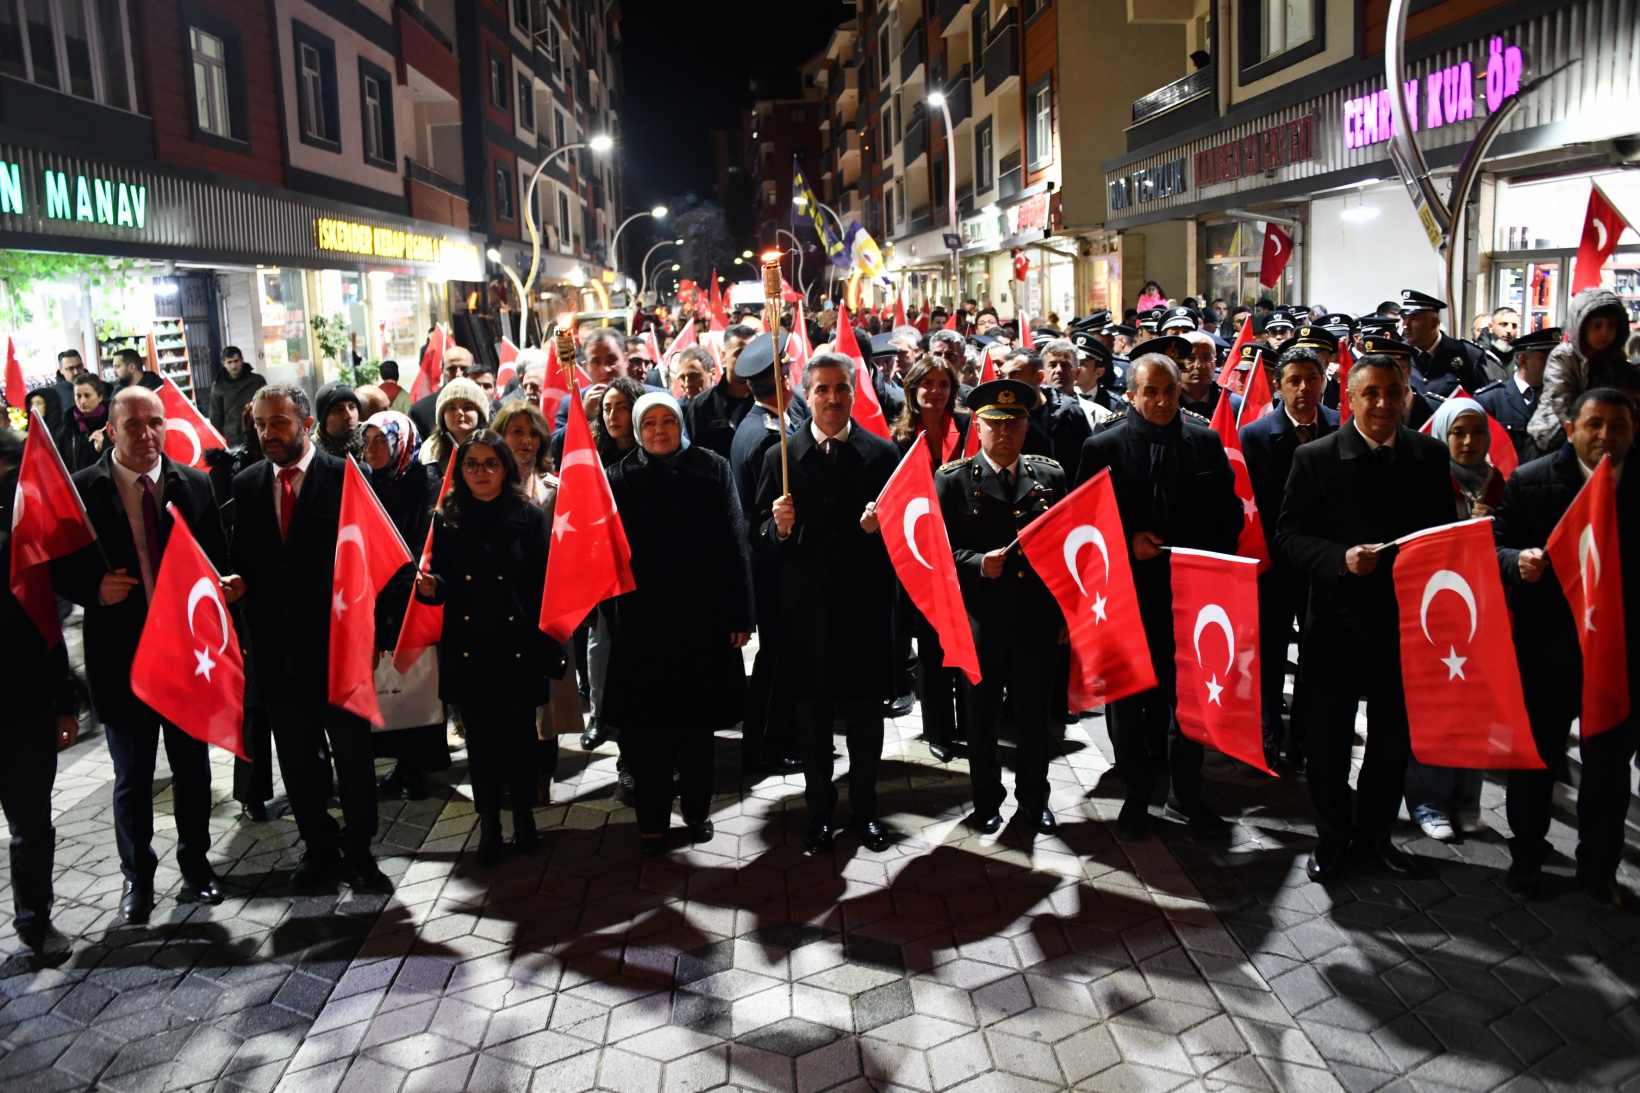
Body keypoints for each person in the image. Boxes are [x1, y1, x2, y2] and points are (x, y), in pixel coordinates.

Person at [52, 386, 236, 922]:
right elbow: (59, 570)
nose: (148, 434)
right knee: (132, 779)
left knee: (192, 770)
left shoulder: (193, 484)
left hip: (185, 657)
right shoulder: (82, 492)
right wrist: (94, 588)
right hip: (122, 659)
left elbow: (214, 559)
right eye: (134, 425)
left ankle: (197, 869)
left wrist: (224, 585)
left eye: (155, 422)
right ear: (111, 431)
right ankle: (138, 881)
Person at [1276, 357, 1456, 883]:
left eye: (1393, 393)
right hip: (1337, 624)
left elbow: (1442, 536)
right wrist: (1339, 558)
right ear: (1349, 399)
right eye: (1371, 393)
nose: (1383, 404)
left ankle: (1377, 835)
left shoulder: (1428, 455)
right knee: (1328, 744)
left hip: (1405, 628)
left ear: (1407, 398)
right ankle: (1332, 839)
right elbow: (1289, 538)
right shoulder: (1315, 458)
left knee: (1392, 742)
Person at [228, 384, 389, 892]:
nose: (267, 434)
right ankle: (319, 848)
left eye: (278, 423)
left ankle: (360, 850)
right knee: (297, 763)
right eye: (259, 425)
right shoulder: (249, 484)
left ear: (307, 424)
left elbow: (375, 557)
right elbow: (245, 559)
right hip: (277, 653)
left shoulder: (346, 479)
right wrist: (236, 583)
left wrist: (378, 631)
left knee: (353, 758)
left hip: (338, 648)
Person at [1075, 356, 1243, 838]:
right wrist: (1128, 541)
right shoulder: (1101, 447)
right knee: (1127, 705)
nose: (1164, 401)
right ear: (1131, 394)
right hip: (1126, 598)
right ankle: (1135, 794)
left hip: (1192, 599)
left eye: (1169, 391)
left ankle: (1185, 795)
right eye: (1151, 392)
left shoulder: (1206, 442)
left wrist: (1204, 558)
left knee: (1187, 701)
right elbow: (1085, 528)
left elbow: (1230, 516)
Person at [1494, 388, 1639, 907]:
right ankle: (1527, 859)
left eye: (1618, 425)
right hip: (1545, 648)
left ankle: (1598, 869)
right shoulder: (1533, 481)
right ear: (1572, 427)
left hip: (1618, 656)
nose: (1605, 436)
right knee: (1536, 762)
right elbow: (1496, 543)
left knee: (1607, 768)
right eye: (1594, 424)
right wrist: (1517, 562)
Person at [757, 352, 900, 853]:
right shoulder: (781, 456)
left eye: (842, 389)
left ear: (855, 391)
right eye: (822, 390)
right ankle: (819, 812)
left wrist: (878, 531)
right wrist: (777, 527)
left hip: (862, 611)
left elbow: (905, 539)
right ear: (806, 394)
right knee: (813, 724)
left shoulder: (882, 455)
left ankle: (866, 810)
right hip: (806, 615)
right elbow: (759, 538)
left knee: (865, 722)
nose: (833, 399)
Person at [602, 392, 753, 853]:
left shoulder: (711, 468)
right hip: (643, 625)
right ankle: (651, 819)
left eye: (669, 421)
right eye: (650, 424)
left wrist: (740, 614)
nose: (660, 431)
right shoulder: (620, 476)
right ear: (638, 428)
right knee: (647, 730)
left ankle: (696, 810)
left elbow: (735, 541)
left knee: (696, 727)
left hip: (701, 621)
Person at [415, 430, 560, 866]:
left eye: (490, 463)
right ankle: (490, 824)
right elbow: (441, 581)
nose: (481, 472)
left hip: (516, 646)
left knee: (519, 739)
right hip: (469, 648)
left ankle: (524, 819)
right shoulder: (446, 517)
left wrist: (548, 642)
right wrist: (429, 588)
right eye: (472, 464)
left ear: (505, 468)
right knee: (481, 745)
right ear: (460, 470)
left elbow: (542, 585)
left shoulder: (529, 516)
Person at [1398, 396, 1503, 844]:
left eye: (1475, 433)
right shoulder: (1429, 482)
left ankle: (1467, 801)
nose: (1466, 442)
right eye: (1457, 433)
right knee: (1436, 709)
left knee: (1477, 709)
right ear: (1442, 436)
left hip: (1488, 615)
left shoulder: (1501, 485)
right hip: (1437, 614)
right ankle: (1428, 801)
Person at [1239, 346, 1339, 772]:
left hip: (1323, 562)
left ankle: (1305, 736)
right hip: (1275, 564)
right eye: (1294, 380)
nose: (1304, 389)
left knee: (1319, 654)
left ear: (1324, 382)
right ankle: (1266, 733)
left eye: (1311, 379)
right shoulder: (1256, 435)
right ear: (1277, 386)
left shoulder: (1339, 426)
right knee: (1271, 652)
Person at [0, 426, 78, 966]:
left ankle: (35, 920)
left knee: (31, 823)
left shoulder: (24, 527)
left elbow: (45, 619)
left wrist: (64, 701)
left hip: (24, 701)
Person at [492, 399, 581, 793]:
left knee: (546, 700)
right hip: (497, 611)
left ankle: (541, 778)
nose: (526, 441)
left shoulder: (554, 489)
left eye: (533, 434)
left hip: (546, 610)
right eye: (517, 432)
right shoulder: (483, 486)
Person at [359, 411, 448, 802]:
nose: (373, 450)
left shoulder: (427, 481)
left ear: (402, 442)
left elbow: (426, 539)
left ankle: (420, 767)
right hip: (376, 597)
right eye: (369, 441)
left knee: (419, 677)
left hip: (413, 593)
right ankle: (400, 762)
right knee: (388, 679)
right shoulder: (366, 482)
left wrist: (398, 578)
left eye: (382, 440)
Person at [890, 356, 972, 762]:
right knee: (933, 648)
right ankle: (938, 730)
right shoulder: (899, 439)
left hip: (966, 552)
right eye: (927, 383)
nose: (935, 391)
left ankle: (972, 725)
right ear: (912, 389)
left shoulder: (971, 427)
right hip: (923, 557)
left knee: (968, 642)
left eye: (943, 384)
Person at [731, 333, 805, 773]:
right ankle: (767, 743)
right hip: (775, 566)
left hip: (772, 564)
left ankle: (774, 736)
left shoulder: (763, 422)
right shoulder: (764, 439)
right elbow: (769, 513)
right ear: (782, 379)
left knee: (779, 655)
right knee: (777, 658)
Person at [1529, 287, 1639, 453]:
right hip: (1556, 427)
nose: (1605, 333)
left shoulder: (1614, 355)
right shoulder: (1563, 356)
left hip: (1601, 422)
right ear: (1580, 326)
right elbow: (1561, 401)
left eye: (1612, 326)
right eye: (1597, 326)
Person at [997, 348, 1093, 470]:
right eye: (1004, 375)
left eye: (1016, 374)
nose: (1007, 381)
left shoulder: (1069, 412)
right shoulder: (998, 413)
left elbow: (1086, 462)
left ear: (1039, 377)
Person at [1477, 326, 1559, 466]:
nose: (1554, 365)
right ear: (1523, 361)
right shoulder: (1491, 400)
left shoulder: (1560, 399)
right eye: (1546, 359)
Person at [1398, 289, 1491, 397]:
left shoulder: (1469, 354)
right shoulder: (1399, 354)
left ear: (1434, 323)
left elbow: (1482, 403)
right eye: (1404, 319)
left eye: (1414, 319)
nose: (1406, 325)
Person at [684, 324, 757, 459]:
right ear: (724, 356)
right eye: (739, 352)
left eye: (752, 353)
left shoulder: (766, 401)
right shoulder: (702, 405)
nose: (747, 359)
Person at [419, 376, 489, 474]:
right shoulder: (429, 449)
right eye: (452, 408)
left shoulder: (494, 446)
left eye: (467, 407)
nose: (459, 412)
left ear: (480, 414)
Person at [408, 346, 473, 440]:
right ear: (442, 370)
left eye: (464, 368)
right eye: (451, 368)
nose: (458, 374)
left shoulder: (491, 407)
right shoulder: (420, 412)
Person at [207, 347, 264, 447]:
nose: (233, 366)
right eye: (229, 362)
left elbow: (267, 407)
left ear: (242, 360)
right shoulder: (218, 387)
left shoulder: (257, 381)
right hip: (232, 439)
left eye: (236, 361)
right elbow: (216, 417)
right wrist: (219, 442)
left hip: (256, 434)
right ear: (223, 363)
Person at [57, 373, 109, 473]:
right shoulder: (68, 425)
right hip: (76, 484)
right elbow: (61, 461)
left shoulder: (112, 422)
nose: (82, 401)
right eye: (78, 396)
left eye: (87, 396)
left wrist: (102, 448)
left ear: (100, 397)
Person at [312, 380, 362, 461]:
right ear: (324, 418)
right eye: (339, 410)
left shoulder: (369, 440)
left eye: (352, 407)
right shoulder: (313, 454)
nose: (349, 415)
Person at [48, 349, 86, 419]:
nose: (76, 372)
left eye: (79, 366)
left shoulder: (99, 386)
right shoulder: (53, 395)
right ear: (61, 370)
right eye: (70, 369)